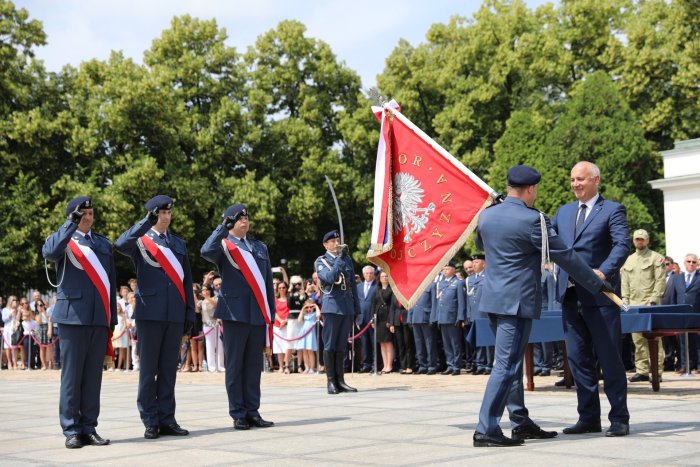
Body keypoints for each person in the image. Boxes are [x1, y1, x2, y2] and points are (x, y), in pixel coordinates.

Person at [473, 165, 606, 447]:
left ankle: (520, 422)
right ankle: (486, 428)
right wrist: (596, 283)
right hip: (516, 302)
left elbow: (480, 244)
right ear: (531, 189)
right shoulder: (534, 220)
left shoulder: (487, 215)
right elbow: (564, 256)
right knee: (506, 366)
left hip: (493, 299)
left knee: (510, 365)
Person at [552, 161, 631, 437]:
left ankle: (619, 417)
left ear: (595, 180)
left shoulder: (612, 210)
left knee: (610, 359)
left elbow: (623, 244)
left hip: (600, 297)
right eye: (573, 179)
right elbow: (546, 238)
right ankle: (588, 418)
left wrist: (604, 271)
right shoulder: (563, 213)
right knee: (578, 360)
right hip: (570, 297)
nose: (575, 184)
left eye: (581, 179)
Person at [115, 195, 194, 440]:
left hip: (174, 313)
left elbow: (186, 279)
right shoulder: (140, 241)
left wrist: (189, 313)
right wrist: (144, 223)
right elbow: (119, 244)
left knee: (169, 369)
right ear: (152, 215)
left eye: (169, 213)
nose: (167, 217)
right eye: (161, 213)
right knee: (148, 370)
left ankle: (167, 419)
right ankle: (150, 420)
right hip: (150, 313)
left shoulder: (178, 243)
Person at [42, 196, 117, 448]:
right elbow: (49, 252)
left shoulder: (103, 244)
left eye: (90, 212)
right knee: (72, 377)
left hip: (98, 318)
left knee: (93, 376)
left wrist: (112, 318)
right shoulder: (63, 240)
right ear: (71, 216)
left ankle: (88, 427)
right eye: (81, 213)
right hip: (72, 317)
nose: (87, 216)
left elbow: (111, 284)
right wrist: (69, 225)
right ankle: (71, 429)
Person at [200, 204, 275, 430]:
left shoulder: (259, 247)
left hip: (256, 313)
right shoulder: (223, 245)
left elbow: (267, 284)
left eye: (246, 217)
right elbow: (205, 251)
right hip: (234, 314)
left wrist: (269, 312)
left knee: (253, 366)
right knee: (235, 366)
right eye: (238, 218)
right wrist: (223, 227)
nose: (244, 220)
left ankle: (253, 410)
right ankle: (238, 413)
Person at [315, 230, 361, 394]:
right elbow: (330, 278)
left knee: (342, 345)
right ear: (325, 245)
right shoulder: (321, 261)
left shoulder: (346, 259)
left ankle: (341, 381)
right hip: (332, 306)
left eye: (338, 240)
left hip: (347, 305)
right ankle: (331, 381)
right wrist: (340, 259)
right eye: (333, 241)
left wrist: (357, 308)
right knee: (329, 345)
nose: (336, 243)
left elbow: (352, 284)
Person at [621, 229, 666, 382]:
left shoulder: (656, 258)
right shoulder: (628, 260)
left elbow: (660, 281)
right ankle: (642, 371)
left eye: (642, 239)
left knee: (654, 338)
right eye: (636, 239)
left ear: (647, 241)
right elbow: (624, 282)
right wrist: (624, 300)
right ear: (633, 241)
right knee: (638, 339)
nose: (639, 241)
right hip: (633, 304)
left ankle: (657, 371)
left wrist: (654, 298)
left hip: (650, 303)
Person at [430, 261, 466, 376]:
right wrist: (436, 317)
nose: (445, 271)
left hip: (452, 317)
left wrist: (460, 317)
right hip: (442, 317)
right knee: (446, 343)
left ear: (453, 270)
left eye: (447, 268)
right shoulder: (440, 283)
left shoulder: (458, 283)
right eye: (444, 269)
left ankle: (457, 366)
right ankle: (450, 364)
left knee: (455, 343)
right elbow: (436, 302)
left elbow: (461, 302)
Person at [667, 253, 700, 372]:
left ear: (697, 264)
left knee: (697, 340)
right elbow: (673, 296)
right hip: (681, 314)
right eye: (689, 261)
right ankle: (685, 365)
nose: (691, 264)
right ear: (684, 262)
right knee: (682, 341)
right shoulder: (677, 278)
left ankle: (699, 365)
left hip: (696, 313)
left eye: (694, 262)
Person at [466, 254, 491, 375]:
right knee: (478, 341)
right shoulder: (470, 279)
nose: (474, 264)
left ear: (484, 264)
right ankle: (480, 364)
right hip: (475, 314)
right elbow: (469, 299)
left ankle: (489, 364)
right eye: (473, 262)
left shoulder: (489, 276)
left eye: (476, 262)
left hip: (486, 314)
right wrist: (468, 315)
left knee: (488, 341)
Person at [408, 283, 438, 374]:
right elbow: (410, 303)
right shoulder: (413, 286)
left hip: (426, 317)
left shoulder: (431, 285)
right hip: (415, 318)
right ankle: (422, 365)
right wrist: (410, 318)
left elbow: (434, 303)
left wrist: (433, 318)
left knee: (429, 343)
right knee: (419, 344)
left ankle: (431, 366)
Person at [372, 271, 395, 374]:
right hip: (378, 319)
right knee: (382, 343)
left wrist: (390, 320)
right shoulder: (377, 289)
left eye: (386, 276)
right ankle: (385, 365)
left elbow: (392, 307)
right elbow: (374, 305)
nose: (384, 278)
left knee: (388, 342)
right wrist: (372, 319)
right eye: (382, 276)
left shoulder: (392, 289)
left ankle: (389, 365)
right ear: (379, 278)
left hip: (387, 319)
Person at [357, 265, 377, 373]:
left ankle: (375, 364)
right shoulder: (359, 286)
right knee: (364, 343)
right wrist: (357, 319)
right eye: (366, 273)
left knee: (373, 342)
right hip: (362, 319)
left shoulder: (376, 286)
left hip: (372, 318)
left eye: (370, 273)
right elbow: (357, 303)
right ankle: (366, 364)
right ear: (363, 274)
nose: (368, 275)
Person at [199, 285, 223, 372]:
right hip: (206, 325)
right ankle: (211, 366)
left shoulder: (215, 298)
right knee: (209, 346)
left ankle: (220, 366)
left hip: (215, 324)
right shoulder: (202, 301)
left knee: (219, 345)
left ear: (210, 290)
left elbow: (215, 305)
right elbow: (197, 309)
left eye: (206, 290)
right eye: (203, 290)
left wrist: (207, 297)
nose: (204, 291)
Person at [297, 299, 321, 373]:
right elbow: (299, 321)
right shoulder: (304, 314)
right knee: (304, 351)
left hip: (311, 333)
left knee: (310, 351)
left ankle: (312, 367)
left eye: (310, 307)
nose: (309, 309)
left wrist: (316, 306)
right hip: (304, 333)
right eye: (307, 307)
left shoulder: (314, 314)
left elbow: (318, 315)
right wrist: (303, 309)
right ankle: (306, 367)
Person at [273, 282, 292, 373]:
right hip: (278, 326)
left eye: (283, 287)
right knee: (279, 347)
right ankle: (281, 366)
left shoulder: (289, 300)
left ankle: (286, 365)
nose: (281, 289)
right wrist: (281, 321)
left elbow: (291, 311)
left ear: (286, 288)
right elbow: (274, 312)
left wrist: (285, 321)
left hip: (288, 325)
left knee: (287, 346)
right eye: (280, 288)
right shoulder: (275, 300)